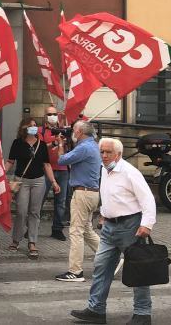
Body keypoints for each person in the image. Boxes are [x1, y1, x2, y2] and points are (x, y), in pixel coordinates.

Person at [70, 138, 156, 325]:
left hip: (130, 226)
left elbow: (148, 199)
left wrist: (147, 224)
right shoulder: (104, 169)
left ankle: (143, 313)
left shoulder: (130, 172)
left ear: (118, 154)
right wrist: (103, 214)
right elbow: (109, 194)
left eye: (108, 152)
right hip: (110, 228)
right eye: (102, 152)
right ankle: (96, 310)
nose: (104, 155)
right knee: (101, 267)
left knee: (138, 270)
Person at [5, 118, 60, 259]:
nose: (34, 128)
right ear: (24, 128)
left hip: (38, 180)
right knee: (22, 211)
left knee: (35, 212)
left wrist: (53, 182)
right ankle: (16, 240)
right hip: (21, 181)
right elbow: (10, 162)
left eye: (36, 126)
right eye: (31, 126)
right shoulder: (17, 143)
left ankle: (32, 242)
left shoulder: (41, 145)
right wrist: (0, 175)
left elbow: (47, 165)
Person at [55, 120, 102, 282]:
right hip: (91, 193)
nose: (72, 132)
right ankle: (113, 258)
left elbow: (61, 161)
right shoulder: (93, 145)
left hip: (82, 193)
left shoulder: (84, 147)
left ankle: (75, 271)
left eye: (74, 130)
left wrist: (60, 145)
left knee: (76, 232)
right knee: (87, 230)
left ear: (80, 132)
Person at [40, 105, 70, 241]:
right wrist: (54, 142)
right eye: (49, 114)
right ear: (45, 116)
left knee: (61, 202)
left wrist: (66, 138)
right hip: (46, 169)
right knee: (39, 200)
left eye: (54, 114)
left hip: (62, 169)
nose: (52, 116)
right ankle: (32, 229)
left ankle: (57, 229)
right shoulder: (40, 131)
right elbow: (39, 149)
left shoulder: (64, 130)